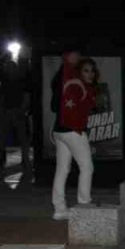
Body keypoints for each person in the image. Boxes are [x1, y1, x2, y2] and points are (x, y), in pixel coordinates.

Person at [51, 52, 98, 220]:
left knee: (62, 169)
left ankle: (59, 209)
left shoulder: (71, 82)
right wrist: (78, 129)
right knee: (87, 167)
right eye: (86, 70)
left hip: (60, 131)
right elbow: (70, 108)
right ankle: (84, 204)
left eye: (92, 71)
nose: (90, 74)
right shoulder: (76, 84)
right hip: (72, 131)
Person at [0, 58, 32, 177]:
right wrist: (1, 111)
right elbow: (1, 99)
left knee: (22, 138)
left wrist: (21, 110)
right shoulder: (4, 82)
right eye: (8, 68)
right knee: (2, 138)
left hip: (17, 112)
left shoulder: (22, 82)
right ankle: (1, 160)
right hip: (7, 111)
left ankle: (25, 160)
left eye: (11, 68)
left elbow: (26, 97)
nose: (9, 70)